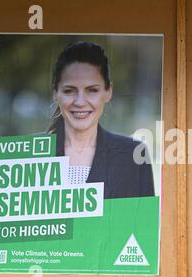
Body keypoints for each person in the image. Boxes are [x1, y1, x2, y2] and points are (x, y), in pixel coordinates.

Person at [47, 41, 155, 199]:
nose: (80, 101)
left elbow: (143, 223)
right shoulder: (29, 155)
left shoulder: (134, 156)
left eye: (92, 90)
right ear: (55, 93)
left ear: (108, 92)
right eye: (69, 90)